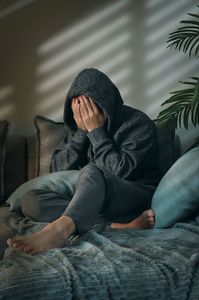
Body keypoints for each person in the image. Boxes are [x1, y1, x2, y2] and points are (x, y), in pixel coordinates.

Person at [7, 68, 161, 255]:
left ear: (107, 103)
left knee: (91, 170)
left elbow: (122, 172)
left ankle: (60, 230)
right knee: (31, 200)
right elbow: (56, 170)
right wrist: (82, 133)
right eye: (79, 109)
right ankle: (114, 227)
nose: (85, 114)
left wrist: (96, 131)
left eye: (89, 107)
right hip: (92, 204)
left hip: (132, 195)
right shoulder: (78, 129)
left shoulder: (139, 123)